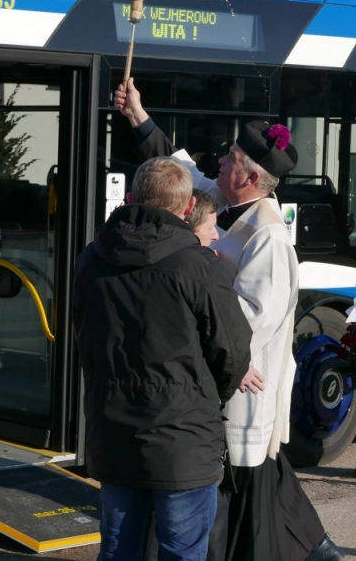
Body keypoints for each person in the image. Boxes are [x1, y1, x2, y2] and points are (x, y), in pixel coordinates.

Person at [115, 78, 345, 561]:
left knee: (234, 496)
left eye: (231, 159)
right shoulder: (224, 201)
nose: (219, 160)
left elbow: (250, 318)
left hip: (238, 387)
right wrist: (138, 116)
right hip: (216, 383)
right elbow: (177, 173)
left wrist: (202, 345)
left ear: (250, 177)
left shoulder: (269, 237)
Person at [73, 156, 253, 561]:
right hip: (183, 437)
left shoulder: (91, 259)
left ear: (133, 198)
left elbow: (83, 338)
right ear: (189, 207)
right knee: (181, 551)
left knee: (119, 549)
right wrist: (209, 397)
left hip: (114, 429)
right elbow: (234, 349)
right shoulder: (198, 265)